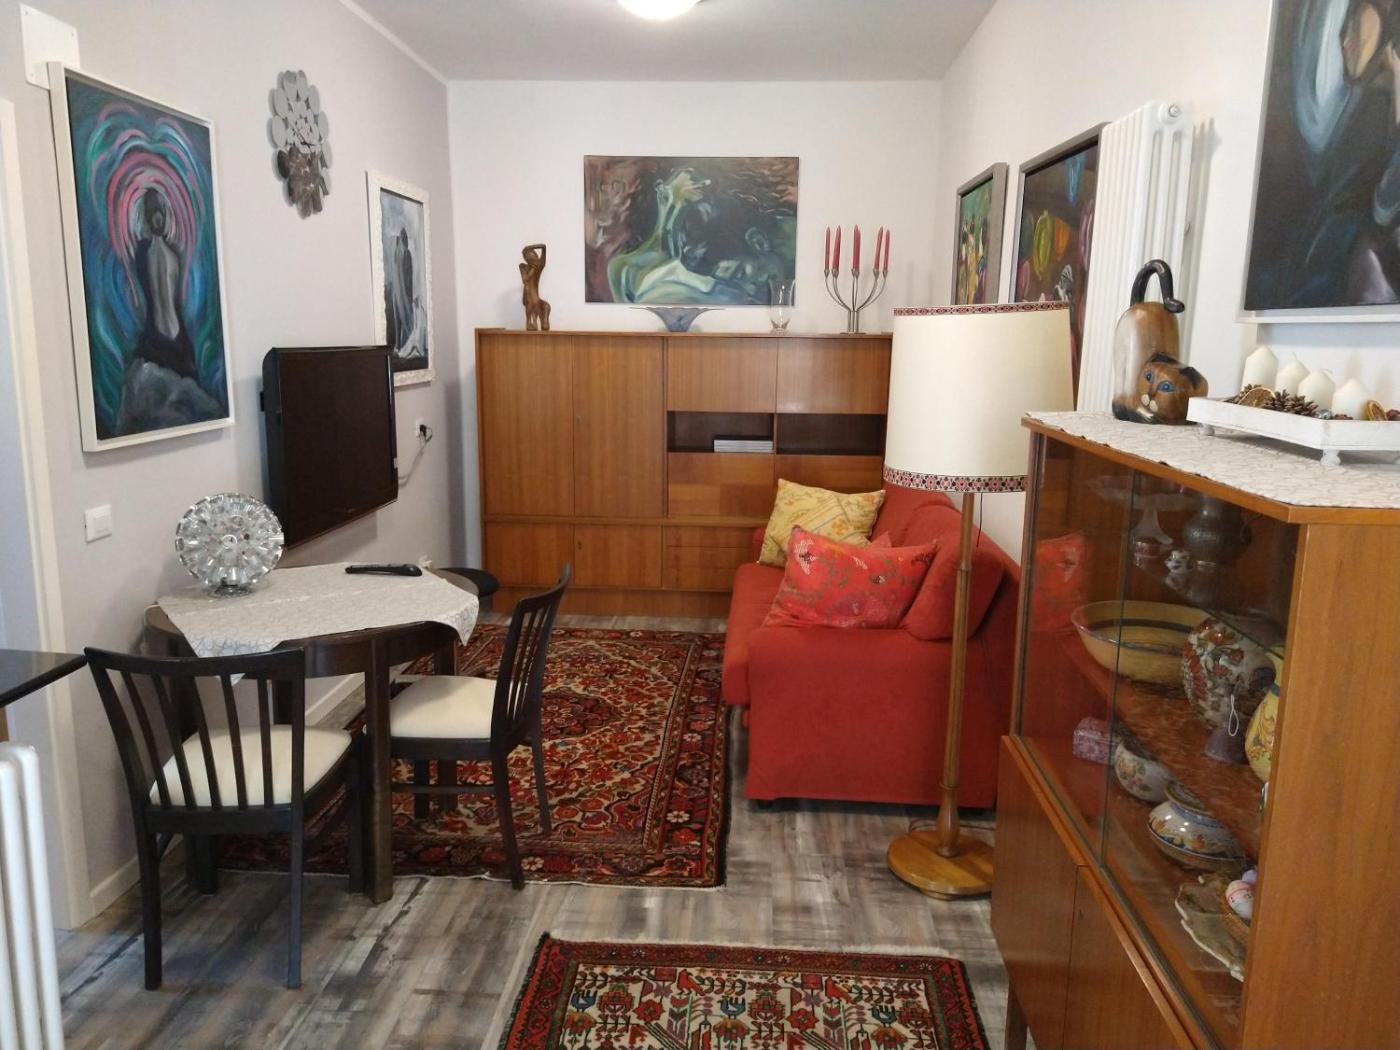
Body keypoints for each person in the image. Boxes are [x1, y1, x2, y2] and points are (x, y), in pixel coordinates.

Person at [134, 188, 197, 380]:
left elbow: (176, 301)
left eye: (161, 209)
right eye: (153, 210)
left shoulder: (174, 255)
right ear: (147, 215)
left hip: (177, 337)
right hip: (156, 336)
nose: (158, 217)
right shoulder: (142, 253)